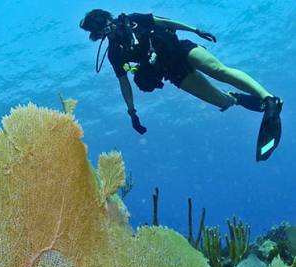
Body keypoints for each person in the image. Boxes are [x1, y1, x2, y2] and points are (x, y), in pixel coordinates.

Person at [79, 9, 283, 161]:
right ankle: (236, 97)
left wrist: (196, 30)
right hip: (172, 72)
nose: (109, 29)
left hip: (181, 49)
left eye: (107, 24)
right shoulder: (115, 53)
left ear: (109, 18)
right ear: (98, 35)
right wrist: (132, 112)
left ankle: (269, 99)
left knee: (219, 70)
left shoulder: (133, 20)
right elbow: (124, 83)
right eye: (101, 30)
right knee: (222, 101)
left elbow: (164, 21)